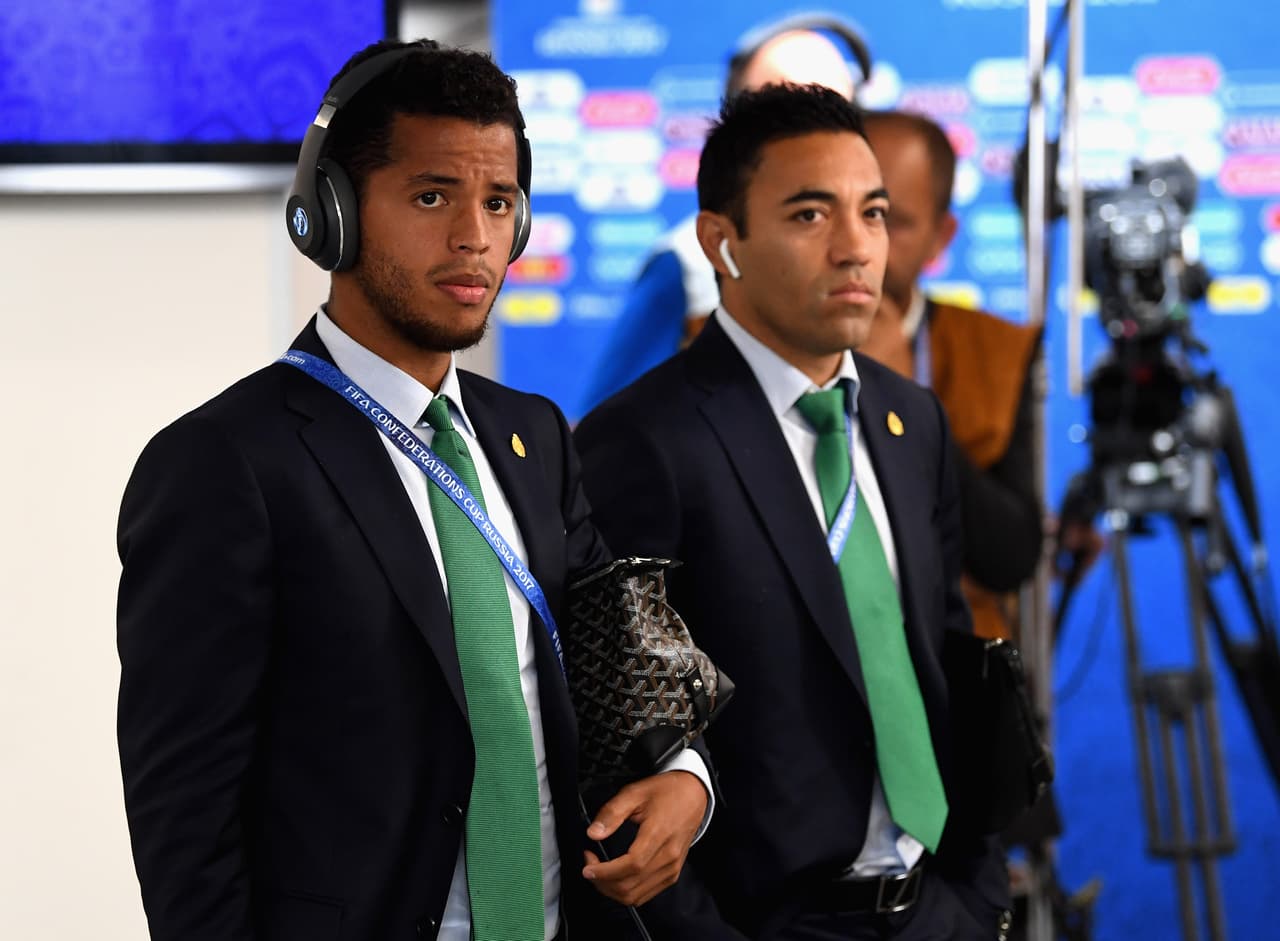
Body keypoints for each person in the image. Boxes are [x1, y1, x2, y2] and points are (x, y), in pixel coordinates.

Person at [116, 38, 711, 941]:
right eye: (433, 196)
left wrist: (685, 775)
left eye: (499, 201)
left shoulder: (535, 437)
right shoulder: (225, 463)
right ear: (332, 216)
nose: (475, 236)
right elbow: (184, 813)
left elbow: (614, 663)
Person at [575, 84, 1010, 939]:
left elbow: (947, 667)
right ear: (721, 242)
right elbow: (619, 737)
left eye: (874, 213)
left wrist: (977, 890)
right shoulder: (642, 442)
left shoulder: (909, 419)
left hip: (935, 908)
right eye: (811, 216)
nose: (856, 248)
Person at [581, 14, 870, 411]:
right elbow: (609, 426)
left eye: (834, 109)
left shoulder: (877, 252)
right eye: (783, 110)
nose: (811, 132)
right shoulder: (686, 264)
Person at [858, 109, 1044, 641]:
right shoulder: (729, 345)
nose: (862, 245)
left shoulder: (994, 351)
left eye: (892, 219)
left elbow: (1010, 558)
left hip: (953, 664)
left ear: (942, 236)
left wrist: (907, 401)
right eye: (839, 211)